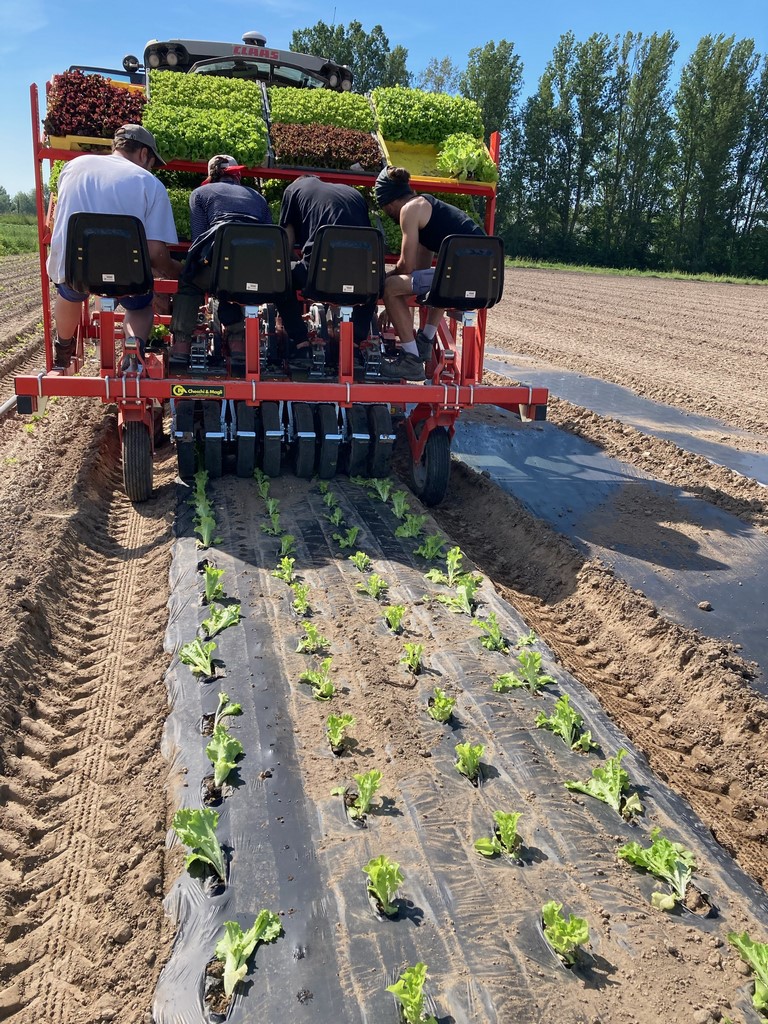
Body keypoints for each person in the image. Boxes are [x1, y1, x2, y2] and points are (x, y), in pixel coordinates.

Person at [47, 124, 179, 368]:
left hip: (77, 268)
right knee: (140, 305)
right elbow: (155, 252)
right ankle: (133, 350)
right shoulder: (149, 183)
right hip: (127, 276)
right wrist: (176, 271)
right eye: (151, 162)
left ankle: (63, 346)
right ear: (143, 154)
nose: (150, 168)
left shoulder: (75, 167)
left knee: (68, 291)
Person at [375, 165, 486, 380]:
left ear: (388, 204)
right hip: (481, 273)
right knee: (437, 279)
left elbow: (405, 266)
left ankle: (411, 361)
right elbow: (418, 274)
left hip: (461, 273)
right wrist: (394, 305)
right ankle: (425, 341)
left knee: (390, 286)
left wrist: (381, 284)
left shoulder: (409, 210)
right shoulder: (428, 210)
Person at [171, 154, 272, 362]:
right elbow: (269, 236)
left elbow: (199, 238)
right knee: (234, 280)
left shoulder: (199, 194)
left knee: (190, 283)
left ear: (211, 176)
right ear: (237, 175)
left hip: (218, 269)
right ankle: (238, 344)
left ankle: (181, 346)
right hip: (257, 275)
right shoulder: (257, 197)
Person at [277, 174, 377, 359]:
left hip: (318, 276)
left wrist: (296, 260)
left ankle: (301, 343)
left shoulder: (293, 190)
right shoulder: (354, 193)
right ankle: (354, 345)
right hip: (361, 279)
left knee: (280, 275)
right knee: (375, 283)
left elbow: (285, 247)